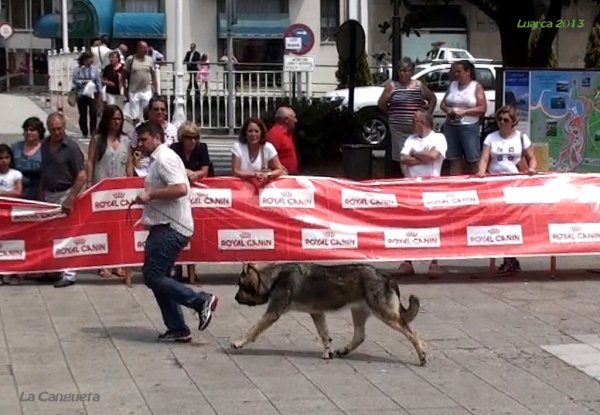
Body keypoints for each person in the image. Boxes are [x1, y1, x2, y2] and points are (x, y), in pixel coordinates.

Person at [133, 121, 218, 342]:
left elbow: (181, 188)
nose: (140, 145)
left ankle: (200, 300)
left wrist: (150, 195)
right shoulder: (158, 159)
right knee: (158, 277)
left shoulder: (164, 158)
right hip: (165, 225)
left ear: (157, 138)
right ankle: (178, 327)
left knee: (154, 276)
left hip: (171, 227)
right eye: (139, 140)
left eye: (144, 140)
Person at [477, 105, 537, 275]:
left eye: (506, 120)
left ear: (513, 122)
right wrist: (481, 172)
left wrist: (531, 169)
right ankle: (507, 259)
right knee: (499, 221)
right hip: (495, 184)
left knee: (513, 221)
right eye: (499, 119)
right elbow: (484, 158)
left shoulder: (521, 138)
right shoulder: (491, 138)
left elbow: (532, 158)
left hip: (514, 184)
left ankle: (511, 259)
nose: (502, 123)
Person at [398, 111, 448, 277]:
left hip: (432, 187)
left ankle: (434, 262)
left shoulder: (438, 138)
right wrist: (421, 158)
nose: (413, 123)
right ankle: (407, 261)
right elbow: (402, 159)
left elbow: (433, 156)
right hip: (412, 187)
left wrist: (414, 155)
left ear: (423, 122)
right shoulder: (410, 139)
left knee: (432, 225)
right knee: (410, 224)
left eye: (416, 120)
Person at [86, 105, 134, 279]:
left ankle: (118, 263)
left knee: (120, 228)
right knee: (103, 227)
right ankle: (103, 263)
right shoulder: (98, 140)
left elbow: (128, 163)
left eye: (119, 119)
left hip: (120, 191)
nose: (117, 122)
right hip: (102, 189)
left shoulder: (126, 140)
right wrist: (89, 183)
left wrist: (130, 184)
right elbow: (90, 161)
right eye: (114, 118)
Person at [40, 113, 87, 288]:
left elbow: (81, 175)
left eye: (59, 128)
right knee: (52, 234)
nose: (57, 132)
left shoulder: (72, 147)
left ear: (64, 127)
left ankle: (69, 272)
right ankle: (56, 268)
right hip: (48, 193)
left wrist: (70, 198)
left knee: (66, 235)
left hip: (65, 193)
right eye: (53, 129)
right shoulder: (44, 145)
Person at [378, 57, 436, 178]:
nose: (402, 73)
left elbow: (432, 98)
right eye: (400, 70)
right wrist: (391, 114)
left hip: (416, 127)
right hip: (398, 128)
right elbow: (381, 104)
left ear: (412, 72)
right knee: (401, 156)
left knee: (415, 152)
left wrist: (427, 115)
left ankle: (415, 175)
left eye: (406, 70)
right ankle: (401, 177)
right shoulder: (392, 86)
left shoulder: (419, 85)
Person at [170, 121, 211, 281]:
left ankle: (192, 272)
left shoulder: (202, 148)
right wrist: (187, 172)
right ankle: (176, 268)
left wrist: (195, 175)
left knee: (194, 231)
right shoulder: (174, 149)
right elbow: (172, 168)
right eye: (189, 138)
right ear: (182, 138)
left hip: (198, 194)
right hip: (179, 193)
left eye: (195, 138)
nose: (193, 141)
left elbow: (205, 170)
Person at [440, 60, 487, 176]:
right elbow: (443, 104)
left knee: (472, 158)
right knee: (454, 158)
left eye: (458, 72)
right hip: (451, 125)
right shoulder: (452, 85)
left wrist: (465, 112)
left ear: (468, 72)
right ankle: (455, 184)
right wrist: (448, 110)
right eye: (453, 72)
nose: (456, 74)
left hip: (469, 126)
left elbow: (482, 108)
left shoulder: (476, 86)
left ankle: (477, 182)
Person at [129, 95, 178, 177]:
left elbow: (176, 153)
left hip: (165, 172)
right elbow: (130, 154)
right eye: (156, 109)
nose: (159, 112)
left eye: (162, 109)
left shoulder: (172, 129)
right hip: (142, 173)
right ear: (150, 111)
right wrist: (130, 178)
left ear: (166, 112)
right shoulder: (140, 127)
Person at [231, 117, 286, 182]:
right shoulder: (238, 147)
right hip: (242, 187)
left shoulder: (268, 147)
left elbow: (279, 170)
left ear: (261, 133)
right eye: (250, 131)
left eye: (256, 131)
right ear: (245, 133)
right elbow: (235, 171)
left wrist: (267, 174)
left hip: (263, 187)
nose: (253, 134)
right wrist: (254, 174)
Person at [122, 41, 158, 124]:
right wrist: (124, 89)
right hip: (133, 90)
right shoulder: (130, 59)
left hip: (146, 90)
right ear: (138, 48)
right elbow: (123, 75)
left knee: (147, 112)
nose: (146, 50)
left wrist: (155, 90)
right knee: (135, 115)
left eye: (146, 48)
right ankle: (137, 130)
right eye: (143, 48)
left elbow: (154, 76)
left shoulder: (149, 60)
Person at [11, 117, 44, 200]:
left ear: (39, 132)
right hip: (16, 193)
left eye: (32, 130)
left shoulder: (46, 150)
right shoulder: (15, 148)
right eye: (26, 130)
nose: (29, 132)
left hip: (37, 194)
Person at [72, 51, 102, 138]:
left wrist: (100, 92)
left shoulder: (95, 69)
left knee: (93, 112)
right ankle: (84, 131)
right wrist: (82, 82)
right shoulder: (78, 69)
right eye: (89, 59)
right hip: (81, 94)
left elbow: (98, 81)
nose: (91, 60)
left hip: (92, 93)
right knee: (83, 113)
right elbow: (74, 80)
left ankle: (93, 131)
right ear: (85, 60)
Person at [267, 107, 298, 174]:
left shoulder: (287, 133)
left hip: (289, 176)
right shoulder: (275, 134)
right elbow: (268, 157)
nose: (296, 120)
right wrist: (279, 168)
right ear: (286, 119)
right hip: (281, 177)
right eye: (294, 117)